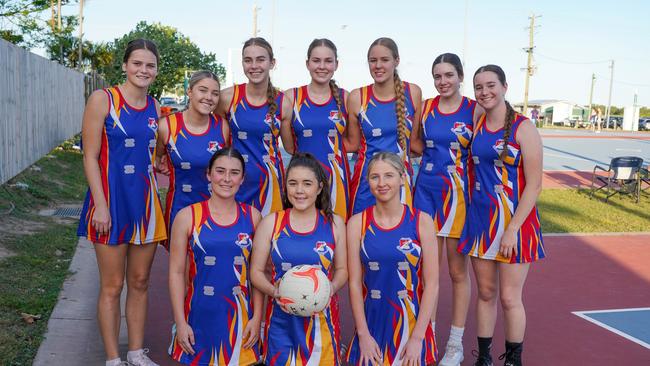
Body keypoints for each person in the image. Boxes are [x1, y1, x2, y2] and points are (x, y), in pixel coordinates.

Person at [77, 38, 166, 366]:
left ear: (156, 70)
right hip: (111, 205)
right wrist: (100, 204)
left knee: (140, 282)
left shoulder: (156, 108)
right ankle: (114, 358)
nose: (143, 70)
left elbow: (156, 153)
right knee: (112, 285)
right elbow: (89, 156)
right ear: (126, 66)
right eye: (137, 64)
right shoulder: (103, 99)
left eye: (150, 65)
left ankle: (135, 352)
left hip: (144, 206)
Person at [459, 65, 545, 366]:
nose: (485, 92)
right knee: (485, 293)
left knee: (510, 298)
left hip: (515, 225)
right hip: (481, 223)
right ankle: (484, 358)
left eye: (491, 85)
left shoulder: (524, 128)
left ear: (505, 86)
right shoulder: (478, 121)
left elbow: (534, 184)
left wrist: (511, 230)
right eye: (479, 87)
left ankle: (513, 359)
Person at [411, 53, 482, 366]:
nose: (443, 82)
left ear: (460, 76)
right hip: (425, 193)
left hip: (458, 198)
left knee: (456, 272)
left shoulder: (474, 108)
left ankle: (454, 344)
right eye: (438, 76)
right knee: (427, 271)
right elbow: (415, 144)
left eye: (448, 75)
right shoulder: (425, 107)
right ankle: (428, 332)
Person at [250, 152, 348, 365]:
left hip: (322, 320)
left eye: (307, 183)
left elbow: (342, 270)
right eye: (293, 183)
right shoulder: (271, 223)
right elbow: (256, 272)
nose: (300, 190)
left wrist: (330, 288)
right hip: (280, 322)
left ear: (320, 187)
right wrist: (274, 291)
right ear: (285, 187)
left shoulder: (335, 224)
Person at [168, 147, 263, 365]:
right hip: (199, 318)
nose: (227, 179)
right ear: (208, 174)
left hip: (240, 319)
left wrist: (257, 318)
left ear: (242, 178)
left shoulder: (254, 218)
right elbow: (176, 273)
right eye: (220, 171)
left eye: (234, 173)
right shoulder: (187, 217)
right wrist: (180, 323)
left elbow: (259, 275)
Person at [346, 152, 439, 366]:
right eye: (375, 177)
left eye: (389, 175)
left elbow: (431, 284)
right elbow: (353, 283)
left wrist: (418, 337)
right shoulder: (357, 224)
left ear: (402, 178)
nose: (382, 183)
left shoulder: (422, 222)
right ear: (367, 181)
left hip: (412, 326)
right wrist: (363, 336)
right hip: (372, 326)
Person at [215, 37, 293, 216]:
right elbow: (213, 136)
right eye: (248, 60)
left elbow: (291, 148)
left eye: (261, 59)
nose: (254, 65)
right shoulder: (227, 98)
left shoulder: (283, 103)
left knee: (267, 241)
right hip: (233, 182)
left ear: (272, 63)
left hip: (270, 185)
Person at [346, 37, 422, 216]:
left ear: (397, 61)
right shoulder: (358, 97)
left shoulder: (413, 92)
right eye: (373, 61)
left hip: (400, 181)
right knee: (363, 237)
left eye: (385, 60)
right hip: (366, 182)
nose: (378, 65)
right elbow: (353, 144)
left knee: (400, 238)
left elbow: (415, 144)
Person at [157, 70, 227, 247]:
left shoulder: (222, 127)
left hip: (215, 212)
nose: (209, 97)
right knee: (180, 270)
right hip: (180, 207)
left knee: (209, 270)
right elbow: (156, 158)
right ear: (189, 91)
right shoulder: (167, 126)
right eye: (202, 90)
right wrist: (164, 163)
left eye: (215, 93)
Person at [286, 38, 351, 221]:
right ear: (307, 63)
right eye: (316, 60)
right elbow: (290, 146)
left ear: (336, 64)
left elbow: (353, 142)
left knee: (335, 232)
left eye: (328, 61)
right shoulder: (292, 97)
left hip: (337, 178)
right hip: (302, 180)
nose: (322, 66)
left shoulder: (347, 98)